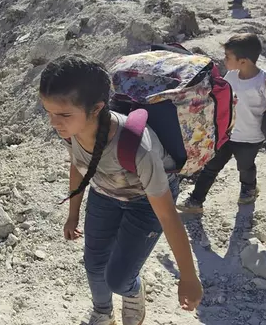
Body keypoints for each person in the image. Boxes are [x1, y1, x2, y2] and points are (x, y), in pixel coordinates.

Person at [40, 55, 203, 325]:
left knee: (119, 278)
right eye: (49, 112)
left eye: (63, 114)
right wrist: (72, 214)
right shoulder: (71, 131)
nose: (54, 122)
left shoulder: (138, 146)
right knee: (94, 266)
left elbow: (167, 216)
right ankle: (103, 313)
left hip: (145, 203)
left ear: (96, 108)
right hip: (105, 194)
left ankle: (132, 292)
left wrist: (188, 276)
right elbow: (78, 165)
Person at [178, 34, 266, 213]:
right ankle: (196, 200)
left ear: (243, 61)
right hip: (226, 133)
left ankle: (249, 189)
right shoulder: (231, 75)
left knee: (245, 166)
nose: (224, 60)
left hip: (250, 138)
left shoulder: (264, 81)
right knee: (210, 167)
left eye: (228, 57)